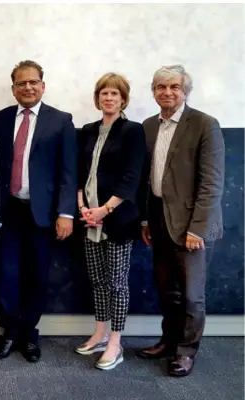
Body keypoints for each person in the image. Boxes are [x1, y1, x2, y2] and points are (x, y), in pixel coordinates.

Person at [0, 60, 78, 362]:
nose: (27, 87)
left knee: (37, 276)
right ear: (13, 88)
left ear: (43, 85)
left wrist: (66, 213)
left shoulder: (61, 120)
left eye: (33, 82)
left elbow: (68, 170)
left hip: (43, 214)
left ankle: (29, 334)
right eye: (21, 83)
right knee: (6, 274)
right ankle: (9, 332)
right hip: (7, 211)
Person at [137, 65, 225, 377]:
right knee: (167, 290)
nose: (167, 92)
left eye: (174, 87)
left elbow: (211, 184)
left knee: (191, 295)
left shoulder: (204, 124)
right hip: (159, 221)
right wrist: (146, 221)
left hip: (192, 227)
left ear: (184, 91)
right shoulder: (148, 126)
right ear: (153, 91)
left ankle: (186, 352)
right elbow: (146, 180)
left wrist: (196, 229)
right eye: (161, 87)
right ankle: (169, 340)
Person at [74, 73, 146, 370]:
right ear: (97, 98)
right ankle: (101, 332)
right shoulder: (89, 130)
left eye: (115, 94)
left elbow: (132, 176)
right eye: (104, 93)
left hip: (116, 219)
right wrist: (82, 207)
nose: (109, 98)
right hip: (89, 218)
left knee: (117, 283)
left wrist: (105, 209)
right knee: (98, 280)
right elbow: (80, 172)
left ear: (123, 99)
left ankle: (115, 341)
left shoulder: (132, 131)